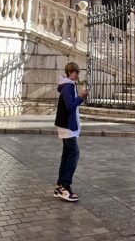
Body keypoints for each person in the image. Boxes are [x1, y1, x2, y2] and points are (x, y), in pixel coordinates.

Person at [52, 61, 87, 202]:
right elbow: (70, 107)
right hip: (67, 126)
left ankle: (60, 185)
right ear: (70, 72)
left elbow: (72, 105)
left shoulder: (68, 86)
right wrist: (81, 97)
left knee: (67, 154)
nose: (78, 74)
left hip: (67, 125)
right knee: (74, 153)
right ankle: (65, 186)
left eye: (78, 72)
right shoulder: (67, 87)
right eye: (76, 72)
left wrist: (80, 97)